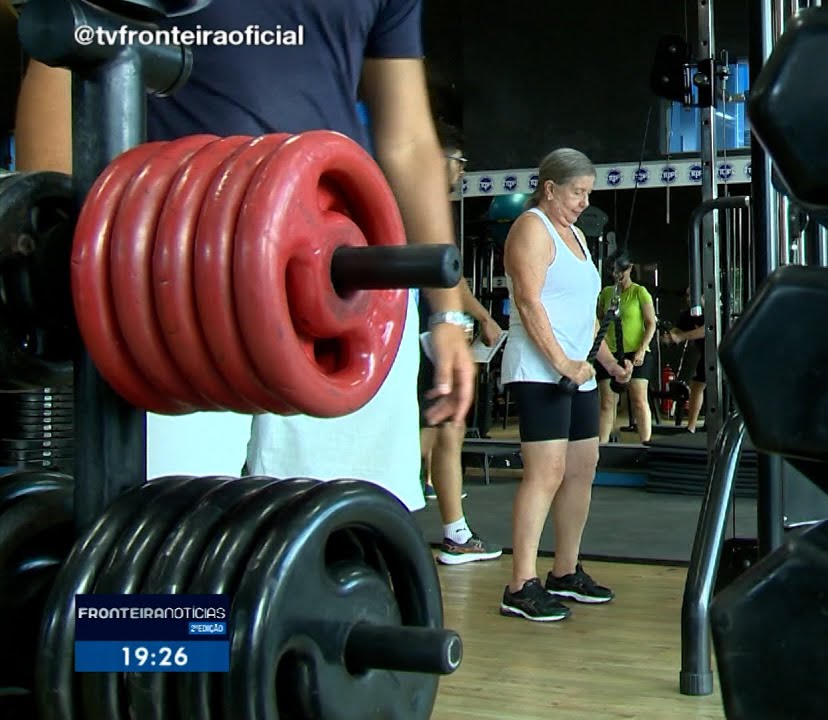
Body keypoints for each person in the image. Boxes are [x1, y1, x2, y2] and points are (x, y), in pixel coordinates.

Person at [13, 0, 474, 515]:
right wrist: (69, 257)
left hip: (338, 277)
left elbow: (408, 140)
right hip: (174, 279)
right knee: (158, 543)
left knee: (348, 530)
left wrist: (448, 311)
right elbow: (61, 65)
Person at [499, 148, 632, 622]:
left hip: (578, 372)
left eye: (588, 193)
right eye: (577, 192)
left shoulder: (575, 233)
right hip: (540, 372)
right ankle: (520, 584)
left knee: (582, 467)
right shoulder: (531, 229)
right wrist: (562, 364)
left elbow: (581, 314)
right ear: (550, 187)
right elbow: (530, 305)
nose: (583, 201)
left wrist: (609, 364)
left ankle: (565, 571)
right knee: (546, 473)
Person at [418, 121, 503, 564]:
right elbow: (443, 276)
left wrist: (477, 316)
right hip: (415, 332)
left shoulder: (428, 207)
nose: (460, 173)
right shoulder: (413, 200)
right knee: (434, 429)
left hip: (429, 330)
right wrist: (466, 318)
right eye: (458, 163)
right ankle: (434, 529)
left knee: (444, 428)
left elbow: (452, 276)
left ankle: (454, 532)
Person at [595, 251, 657, 444]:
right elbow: (598, 321)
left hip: (635, 352)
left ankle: (646, 444)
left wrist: (641, 350)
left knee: (638, 399)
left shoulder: (640, 292)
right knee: (607, 402)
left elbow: (651, 323)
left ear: (629, 268)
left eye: (621, 270)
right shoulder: (606, 293)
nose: (618, 275)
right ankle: (601, 447)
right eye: (614, 271)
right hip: (610, 353)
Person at [665, 288, 707, 433]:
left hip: (724, 351)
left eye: (691, 295)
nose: (688, 298)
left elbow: (706, 330)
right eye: (687, 295)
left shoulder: (713, 310)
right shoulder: (689, 314)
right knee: (697, 386)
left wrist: (682, 337)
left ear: (702, 295)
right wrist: (670, 336)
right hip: (706, 353)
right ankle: (691, 427)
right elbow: (677, 330)